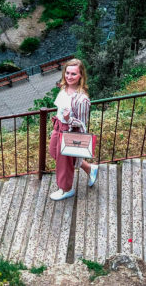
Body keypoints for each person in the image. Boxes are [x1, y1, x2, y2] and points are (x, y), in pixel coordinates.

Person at [48, 58, 98, 201]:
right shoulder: (64, 88)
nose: (69, 77)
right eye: (67, 73)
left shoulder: (82, 99)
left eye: (73, 74)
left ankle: (66, 189)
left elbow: (82, 123)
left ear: (81, 75)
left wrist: (69, 119)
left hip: (69, 130)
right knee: (55, 153)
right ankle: (89, 168)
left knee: (64, 161)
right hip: (58, 126)